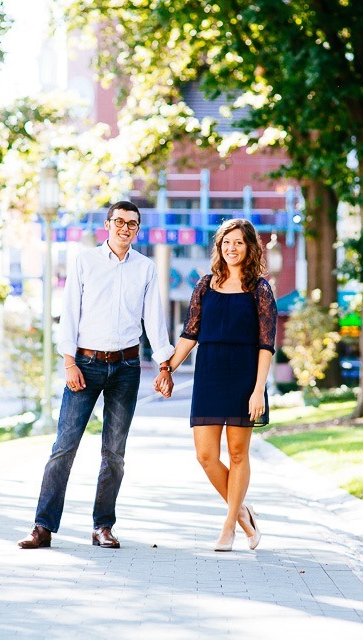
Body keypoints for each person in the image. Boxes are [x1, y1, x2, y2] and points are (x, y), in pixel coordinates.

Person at [18, 200, 175, 550]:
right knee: (64, 446)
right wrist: (69, 362)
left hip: (127, 367)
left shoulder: (146, 268)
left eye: (132, 224)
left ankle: (103, 526)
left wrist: (164, 365)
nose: (125, 228)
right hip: (85, 365)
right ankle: (42, 526)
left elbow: (154, 318)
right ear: (107, 225)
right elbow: (69, 312)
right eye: (119, 221)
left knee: (114, 453)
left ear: (137, 230)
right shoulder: (85, 261)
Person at [154, 218, 276, 552]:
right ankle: (244, 513)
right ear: (219, 248)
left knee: (238, 454)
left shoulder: (260, 289)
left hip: (244, 377)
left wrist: (257, 390)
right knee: (206, 455)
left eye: (238, 242)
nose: (231, 248)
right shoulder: (205, 285)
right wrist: (167, 369)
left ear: (250, 247)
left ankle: (230, 527)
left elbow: (267, 345)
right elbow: (190, 333)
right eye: (226, 243)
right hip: (209, 374)